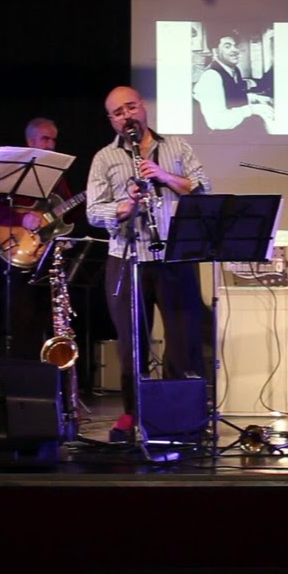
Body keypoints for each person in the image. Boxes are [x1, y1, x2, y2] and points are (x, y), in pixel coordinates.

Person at [85, 86, 211, 436]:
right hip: (127, 258)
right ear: (112, 120)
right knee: (132, 344)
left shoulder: (177, 147)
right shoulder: (104, 158)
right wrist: (123, 207)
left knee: (183, 342)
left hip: (174, 256)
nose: (127, 116)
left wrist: (164, 176)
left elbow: (202, 187)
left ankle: (180, 415)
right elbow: (93, 211)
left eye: (131, 108)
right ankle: (134, 414)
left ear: (143, 108)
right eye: (118, 113)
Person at [0, 117, 78, 360]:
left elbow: (68, 212)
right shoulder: (12, 169)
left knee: (49, 315)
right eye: (45, 139)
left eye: (53, 140)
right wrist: (22, 219)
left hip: (46, 253)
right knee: (22, 318)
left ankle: (52, 370)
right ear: (30, 141)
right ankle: (24, 370)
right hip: (16, 250)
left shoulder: (57, 175)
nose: (51, 145)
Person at [192, 29, 274, 133]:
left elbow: (233, 95)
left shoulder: (234, 70)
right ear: (215, 51)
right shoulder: (211, 77)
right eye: (227, 46)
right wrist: (252, 109)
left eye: (235, 46)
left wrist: (255, 98)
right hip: (219, 136)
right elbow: (217, 122)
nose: (235, 50)